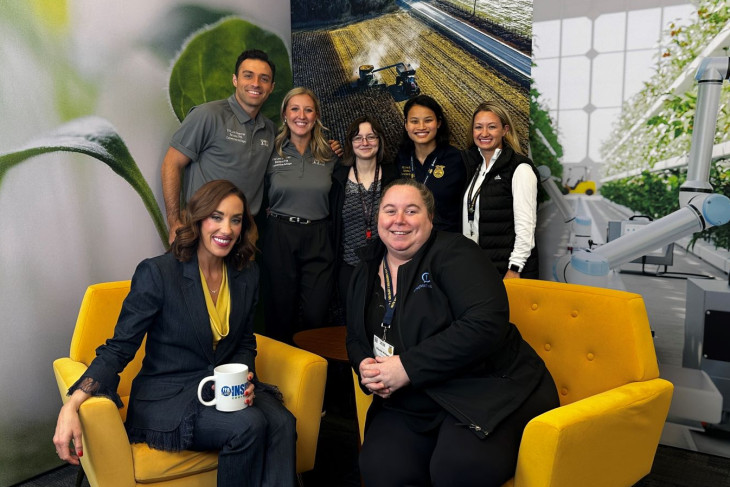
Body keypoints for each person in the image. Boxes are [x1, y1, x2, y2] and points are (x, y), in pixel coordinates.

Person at [53, 180, 297, 487]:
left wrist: (244, 378)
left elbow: (245, 340)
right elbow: (119, 347)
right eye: (216, 217)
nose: (227, 229)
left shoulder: (246, 273)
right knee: (248, 424)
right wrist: (73, 403)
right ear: (198, 218)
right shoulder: (158, 273)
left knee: (283, 423)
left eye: (236, 220)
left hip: (217, 391)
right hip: (167, 398)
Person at [346, 179, 558, 487]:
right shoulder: (365, 267)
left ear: (430, 218)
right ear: (378, 218)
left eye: (412, 210)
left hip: (484, 389)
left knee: (457, 469)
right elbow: (354, 336)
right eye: (390, 210)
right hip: (413, 399)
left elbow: (486, 322)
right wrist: (364, 364)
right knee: (380, 466)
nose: (399, 220)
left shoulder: (455, 252)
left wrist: (406, 367)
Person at [161, 49, 277, 245]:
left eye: (263, 79)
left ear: (272, 87)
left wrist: (328, 149)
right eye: (248, 76)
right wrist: (174, 222)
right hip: (201, 228)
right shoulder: (208, 115)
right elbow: (171, 164)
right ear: (235, 80)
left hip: (243, 233)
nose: (256, 84)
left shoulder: (271, 130)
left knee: (239, 277)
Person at [262, 87, 337, 343]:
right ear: (285, 114)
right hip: (280, 235)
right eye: (295, 108)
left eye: (308, 109)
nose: (301, 115)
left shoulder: (330, 154)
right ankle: (279, 376)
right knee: (280, 313)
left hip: (319, 236)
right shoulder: (270, 151)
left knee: (317, 314)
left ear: (316, 116)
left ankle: (312, 374)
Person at [462, 100, 540, 279]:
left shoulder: (520, 169)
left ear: (505, 130)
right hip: (479, 267)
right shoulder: (474, 167)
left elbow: (526, 227)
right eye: (478, 127)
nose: (484, 133)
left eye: (492, 127)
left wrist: (515, 268)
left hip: (508, 271)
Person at [329, 115, 397, 312]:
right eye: (358, 138)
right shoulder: (338, 178)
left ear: (380, 141)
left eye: (371, 137)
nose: (365, 143)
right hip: (348, 268)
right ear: (350, 143)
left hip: (386, 268)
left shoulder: (393, 177)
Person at [396, 94, 466, 232]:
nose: (421, 127)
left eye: (428, 120)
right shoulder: (401, 158)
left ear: (438, 123)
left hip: (446, 243)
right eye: (414, 121)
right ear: (406, 125)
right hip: (410, 242)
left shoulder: (456, 159)